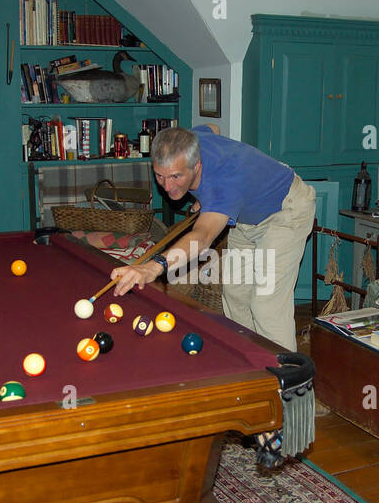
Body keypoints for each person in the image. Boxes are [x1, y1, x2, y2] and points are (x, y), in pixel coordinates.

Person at [108, 125, 315, 352]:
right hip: (246, 215)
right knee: (235, 294)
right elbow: (213, 128)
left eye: (176, 176)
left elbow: (202, 237)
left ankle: (291, 381)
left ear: (197, 166)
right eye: (160, 176)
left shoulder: (224, 184)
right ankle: (251, 364)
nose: (167, 187)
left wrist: (152, 268)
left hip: (285, 212)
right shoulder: (187, 142)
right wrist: (205, 197)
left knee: (266, 303)